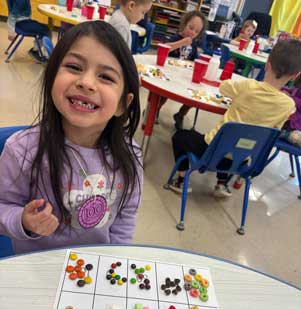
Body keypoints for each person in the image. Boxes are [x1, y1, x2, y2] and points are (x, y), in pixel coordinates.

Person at [0, 21, 143, 254]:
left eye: (106, 77)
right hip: (35, 266)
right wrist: (23, 220)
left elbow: (124, 220)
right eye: (74, 67)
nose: (86, 83)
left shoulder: (130, 155)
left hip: (94, 270)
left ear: (122, 105)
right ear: (52, 76)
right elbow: (2, 207)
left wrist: (118, 259)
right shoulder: (22, 150)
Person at [169, 39, 301, 197]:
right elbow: (275, 128)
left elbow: (223, 86)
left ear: (267, 64)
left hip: (211, 153)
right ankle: (221, 184)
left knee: (179, 136)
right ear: (295, 76)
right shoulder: (288, 105)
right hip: (243, 160)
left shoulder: (248, 86)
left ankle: (181, 180)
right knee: (238, 140)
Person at [157, 11, 207, 130]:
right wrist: (181, 43)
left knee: (194, 97)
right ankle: (154, 110)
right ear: (184, 24)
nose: (192, 33)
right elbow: (163, 49)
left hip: (184, 78)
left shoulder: (193, 45)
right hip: (169, 75)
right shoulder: (176, 38)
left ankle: (180, 115)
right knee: (163, 95)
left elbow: (195, 61)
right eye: (190, 28)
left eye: (196, 31)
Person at [280, 74, 301, 147]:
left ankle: (286, 134)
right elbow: (294, 91)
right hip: (291, 114)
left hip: (296, 121)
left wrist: (290, 97)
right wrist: (282, 89)